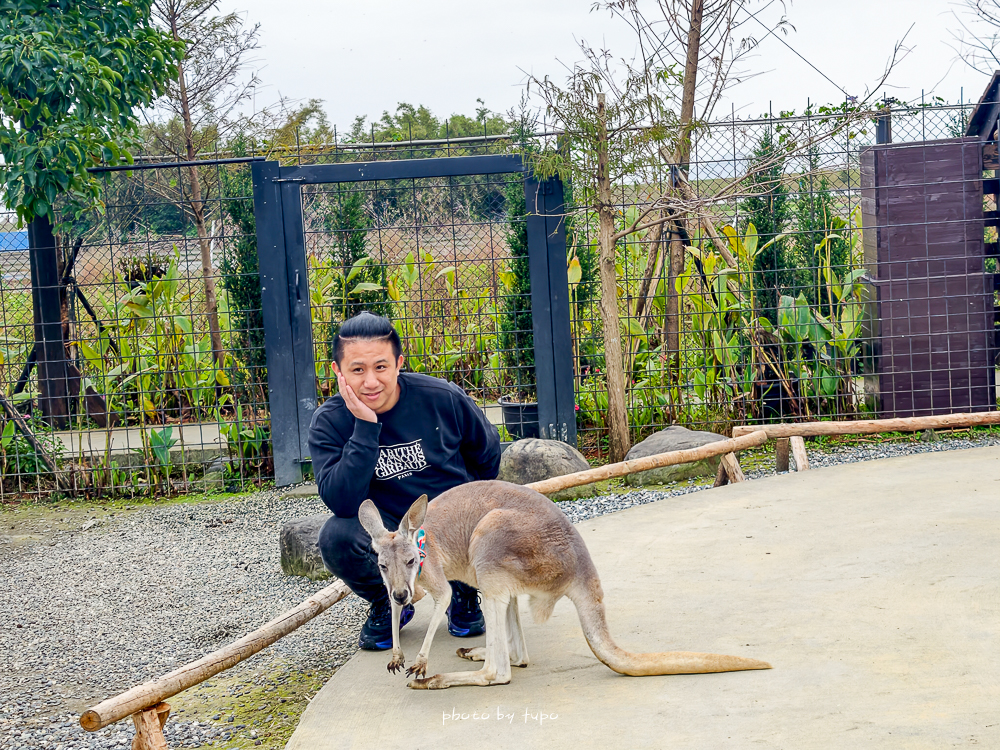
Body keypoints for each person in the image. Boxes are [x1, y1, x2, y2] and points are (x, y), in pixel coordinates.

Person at [308, 311, 501, 650]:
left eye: (381, 367)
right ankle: (390, 600)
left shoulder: (442, 398)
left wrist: (464, 510)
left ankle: (465, 593)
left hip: (445, 522)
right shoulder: (329, 422)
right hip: (386, 531)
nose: (370, 382)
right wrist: (366, 427)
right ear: (337, 371)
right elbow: (340, 502)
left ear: (399, 363)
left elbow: (487, 456)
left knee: (485, 514)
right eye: (357, 370)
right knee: (335, 538)